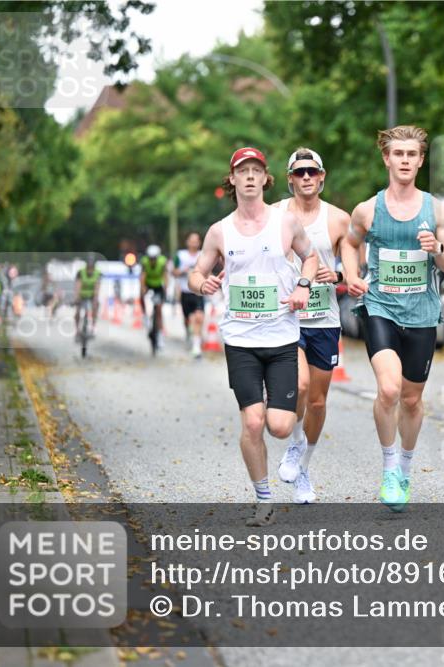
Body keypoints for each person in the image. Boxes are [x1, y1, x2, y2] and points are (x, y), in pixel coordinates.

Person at [188, 147, 317, 527]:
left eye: (255, 170)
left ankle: (294, 441)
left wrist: (304, 287)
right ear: (232, 179)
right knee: (253, 423)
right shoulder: (219, 231)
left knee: (278, 425)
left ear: (265, 179)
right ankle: (263, 500)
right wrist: (203, 283)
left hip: (280, 339)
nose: (248, 176)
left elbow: (310, 258)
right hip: (240, 341)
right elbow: (195, 274)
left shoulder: (286, 222)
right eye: (241, 170)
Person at [342, 125, 444, 511]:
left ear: (421, 160)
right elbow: (349, 241)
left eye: (412, 154)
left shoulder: (437, 209)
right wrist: (352, 275)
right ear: (387, 159)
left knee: (411, 399)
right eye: (398, 154)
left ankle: (405, 469)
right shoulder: (368, 209)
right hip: (380, 307)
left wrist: (437, 248)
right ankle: (389, 468)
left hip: (422, 312)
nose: (405, 160)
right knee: (389, 390)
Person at [273, 148, 351, 504]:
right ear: (290, 178)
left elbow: (354, 272)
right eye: (299, 172)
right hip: (286, 319)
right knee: (300, 385)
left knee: (318, 403)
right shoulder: (273, 215)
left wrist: (335, 274)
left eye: (312, 172)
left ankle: (303, 466)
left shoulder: (338, 220)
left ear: (322, 177)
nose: (306, 177)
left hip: (324, 320)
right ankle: (293, 444)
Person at [173, 231, 206, 358]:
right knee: (189, 319)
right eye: (191, 240)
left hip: (198, 292)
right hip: (185, 292)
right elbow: (174, 272)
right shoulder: (180, 255)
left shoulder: (202, 255)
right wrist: (183, 271)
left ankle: (196, 347)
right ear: (187, 242)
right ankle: (189, 332)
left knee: (198, 318)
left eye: (196, 240)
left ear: (199, 243)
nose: (194, 243)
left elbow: (207, 271)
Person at [140, 244, 168, 351]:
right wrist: (143, 289)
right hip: (148, 284)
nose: (152, 260)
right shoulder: (144, 261)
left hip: (158, 285)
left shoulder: (162, 262)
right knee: (141, 297)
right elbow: (142, 276)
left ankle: (160, 336)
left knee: (159, 310)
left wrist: (165, 288)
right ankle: (145, 316)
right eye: (150, 258)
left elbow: (165, 276)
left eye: (154, 258)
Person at [74, 255, 101, 341]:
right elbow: (78, 286)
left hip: (92, 295)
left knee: (95, 309)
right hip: (82, 294)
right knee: (77, 311)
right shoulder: (81, 272)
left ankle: (93, 328)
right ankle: (77, 330)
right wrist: (77, 297)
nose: (90, 270)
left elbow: (97, 287)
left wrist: (95, 299)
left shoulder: (97, 273)